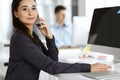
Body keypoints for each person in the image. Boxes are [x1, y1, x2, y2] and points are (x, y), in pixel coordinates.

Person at [5, 0, 111, 80]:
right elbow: (51, 67)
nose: (31, 13)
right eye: (24, 9)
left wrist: (49, 37)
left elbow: (53, 59)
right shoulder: (20, 39)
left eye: (33, 8)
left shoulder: (31, 36)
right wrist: (89, 67)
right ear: (16, 13)